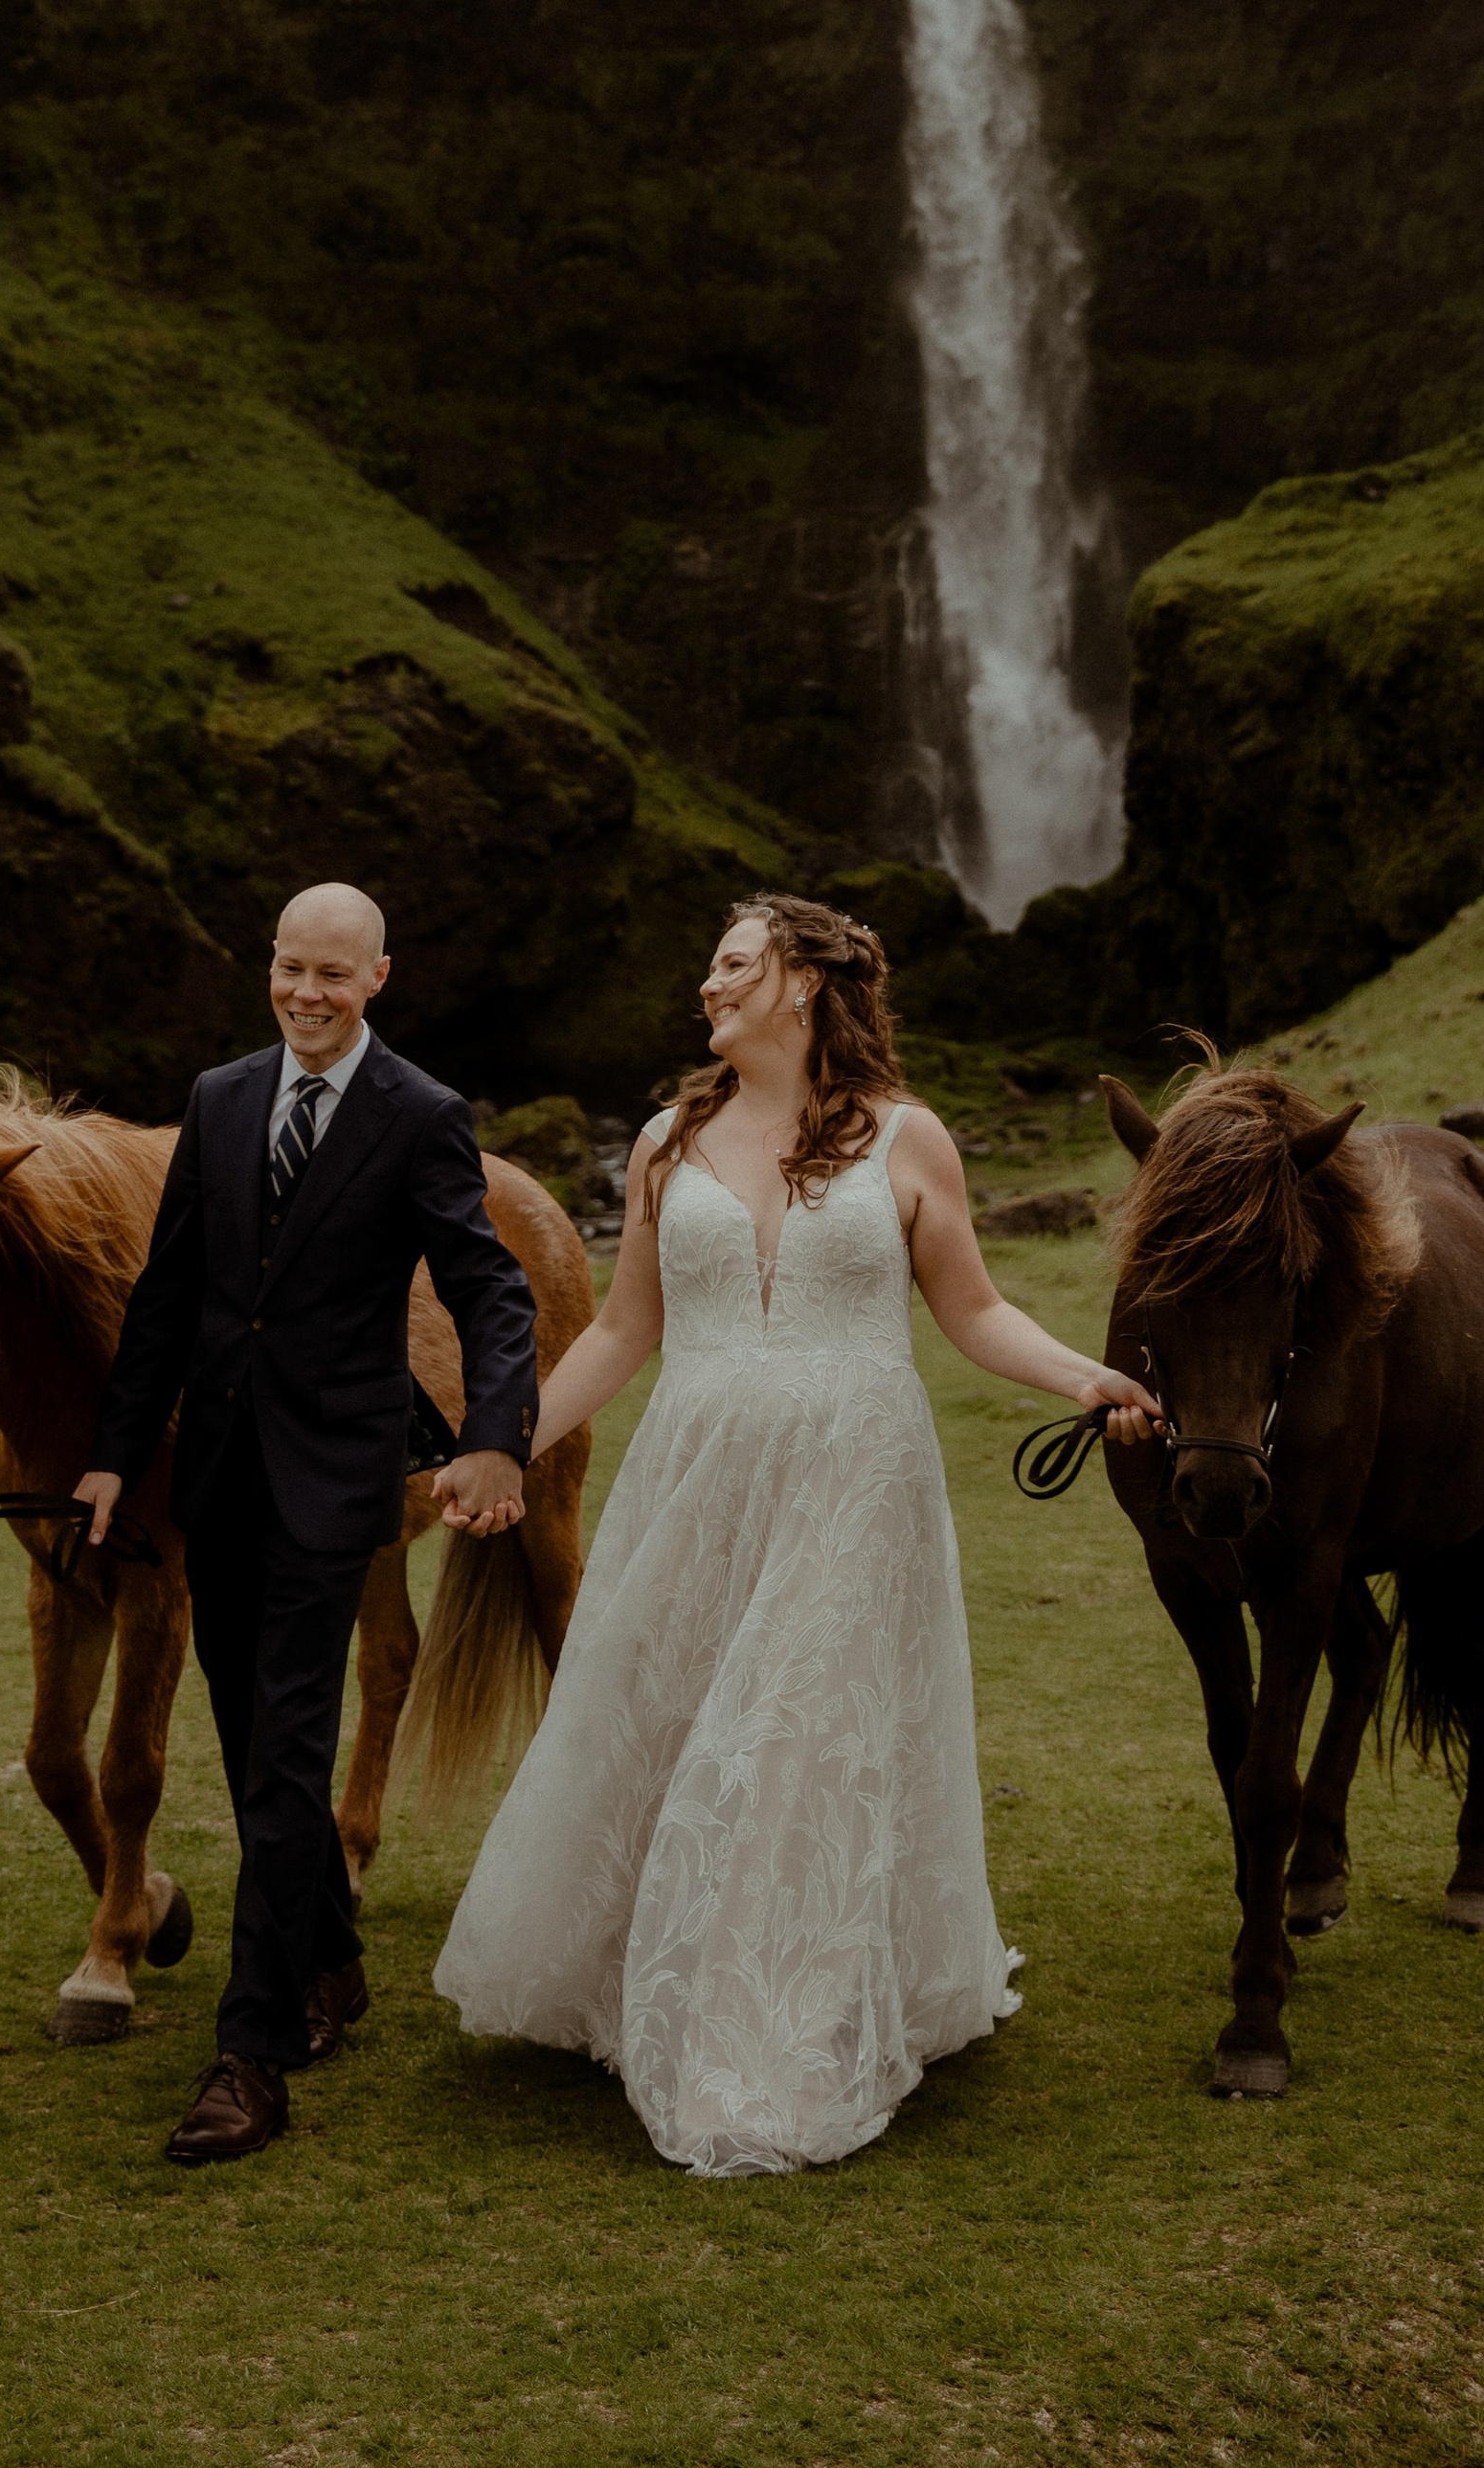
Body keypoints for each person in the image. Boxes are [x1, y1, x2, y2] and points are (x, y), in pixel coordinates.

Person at [431, 891, 1157, 2175]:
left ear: (804, 981)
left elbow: (974, 1311)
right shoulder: (665, 1142)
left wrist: (1086, 1377)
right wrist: (506, 1439)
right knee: (667, 1713)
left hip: (855, 1483)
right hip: (698, 1476)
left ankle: (766, 2025)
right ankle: (630, 1972)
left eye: (730, 965)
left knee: (798, 1740)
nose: (706, 987)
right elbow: (623, 1330)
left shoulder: (910, 1139)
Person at [74, 882, 538, 2166]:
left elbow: (489, 1288)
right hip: (215, 1475)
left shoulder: (422, 1114)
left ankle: (254, 2052)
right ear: (268, 965)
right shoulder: (220, 1099)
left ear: (378, 977)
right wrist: (114, 1456)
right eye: (292, 967)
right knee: (248, 1748)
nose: (309, 993)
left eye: (335, 973)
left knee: (286, 1753)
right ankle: (330, 1955)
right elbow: (169, 1291)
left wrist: (496, 1430)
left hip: (339, 1481)